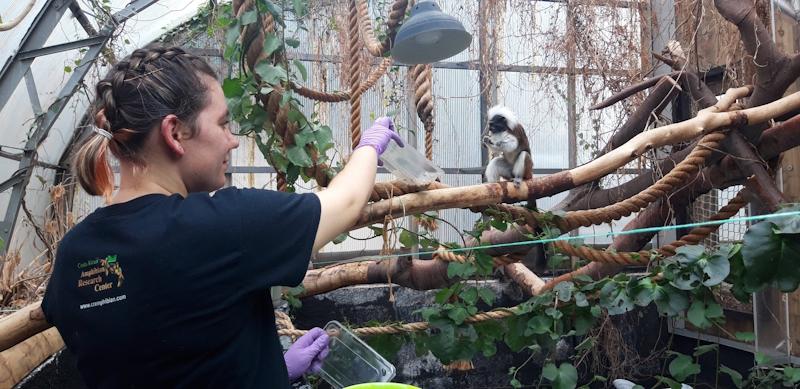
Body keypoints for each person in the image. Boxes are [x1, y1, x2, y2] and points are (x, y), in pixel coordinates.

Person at [41, 45, 403, 388]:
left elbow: (165, 356)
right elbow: (347, 200)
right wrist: (368, 147)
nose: (232, 141)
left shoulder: (74, 253)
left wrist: (276, 371)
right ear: (175, 132)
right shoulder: (220, 225)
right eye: (224, 124)